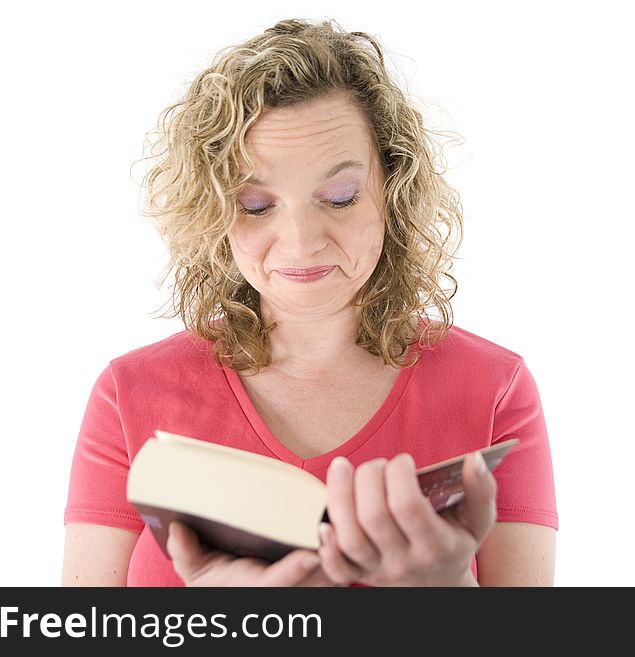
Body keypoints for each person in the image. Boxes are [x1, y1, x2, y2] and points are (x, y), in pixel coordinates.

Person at [62, 18, 558, 587]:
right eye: (254, 204)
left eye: (340, 197)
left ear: (392, 190)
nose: (302, 241)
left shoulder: (495, 387)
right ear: (212, 211)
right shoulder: (129, 394)